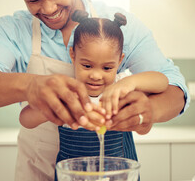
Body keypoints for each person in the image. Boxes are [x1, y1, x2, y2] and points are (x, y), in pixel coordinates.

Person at [0, 0, 190, 180]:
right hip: (36, 172)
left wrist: (150, 110)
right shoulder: (12, 29)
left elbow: (174, 87)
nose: (48, 9)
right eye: (33, 1)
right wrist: (33, 87)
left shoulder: (117, 30)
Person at [19, 10, 169, 180]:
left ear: (120, 61)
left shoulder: (122, 88)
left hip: (119, 175)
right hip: (73, 176)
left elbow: (162, 80)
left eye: (107, 68)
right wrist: (55, 108)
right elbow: (25, 119)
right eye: (87, 66)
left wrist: (130, 82)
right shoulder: (66, 91)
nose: (96, 76)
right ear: (73, 55)